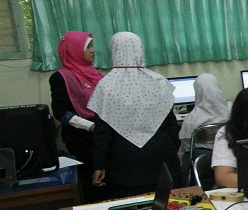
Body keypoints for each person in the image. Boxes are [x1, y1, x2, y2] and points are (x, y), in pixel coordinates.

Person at [87, 32, 180, 199]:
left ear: (114, 51)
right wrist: (176, 150)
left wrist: (99, 165)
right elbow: (171, 124)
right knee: (168, 207)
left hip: (125, 162)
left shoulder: (106, 86)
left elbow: (102, 133)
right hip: (162, 156)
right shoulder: (158, 81)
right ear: (140, 50)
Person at [49, 31, 103, 200]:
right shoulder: (60, 77)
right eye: (87, 47)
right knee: (91, 184)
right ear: (74, 50)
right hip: (81, 139)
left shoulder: (94, 72)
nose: (92, 50)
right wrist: (90, 125)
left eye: (92, 46)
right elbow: (61, 112)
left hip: (101, 133)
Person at [178, 73, 230, 180]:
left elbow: (186, 146)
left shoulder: (192, 118)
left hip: (203, 160)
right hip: (229, 155)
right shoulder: (231, 109)